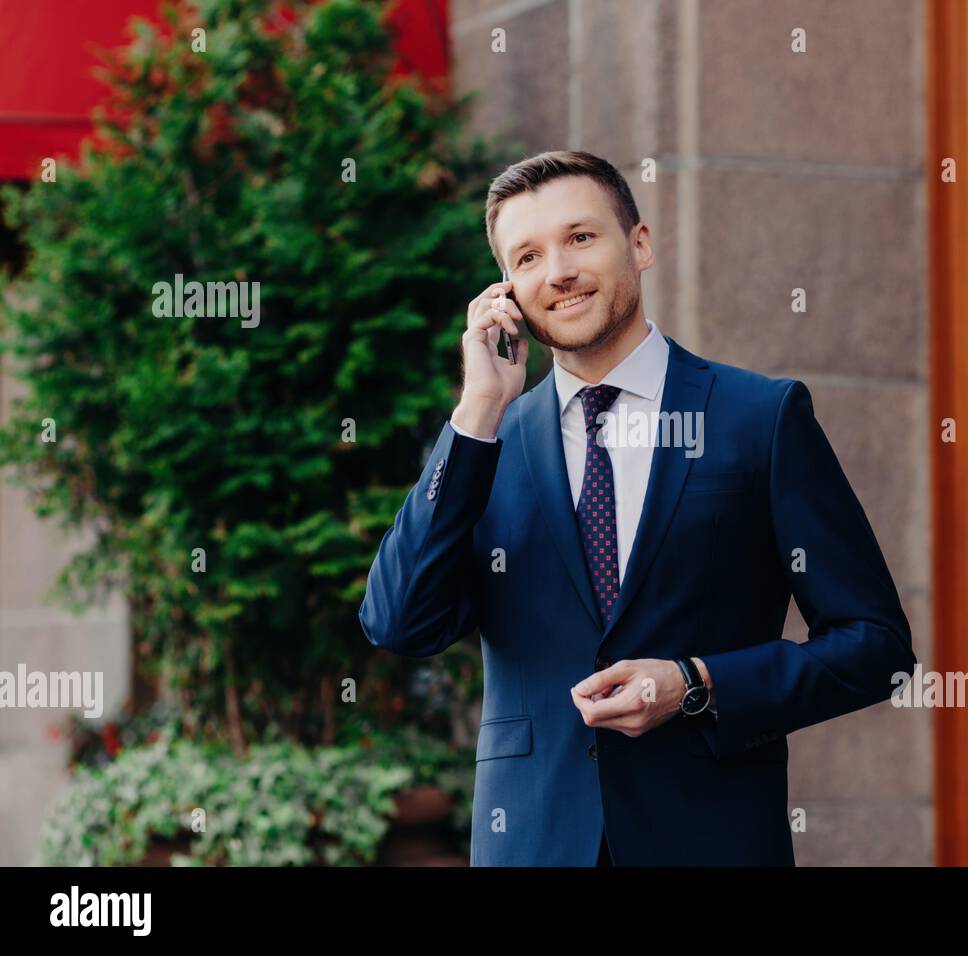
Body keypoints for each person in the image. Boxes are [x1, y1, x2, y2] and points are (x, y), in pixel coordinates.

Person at [359, 150, 915, 866]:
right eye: (527, 256)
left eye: (580, 238)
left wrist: (695, 684)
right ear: (507, 291)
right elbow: (399, 622)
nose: (556, 270)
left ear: (640, 245)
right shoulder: (485, 447)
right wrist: (475, 411)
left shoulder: (760, 418)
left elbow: (876, 648)